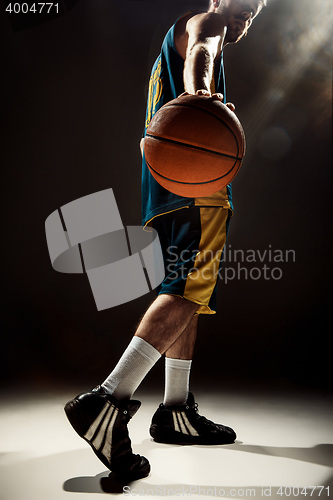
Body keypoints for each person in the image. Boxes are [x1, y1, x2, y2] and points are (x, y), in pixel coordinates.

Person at [64, 0, 266, 482]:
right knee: (187, 291)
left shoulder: (172, 40)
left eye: (255, 13)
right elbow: (204, 48)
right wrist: (201, 95)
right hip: (197, 180)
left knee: (182, 289)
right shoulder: (207, 22)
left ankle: (176, 410)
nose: (247, 17)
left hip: (169, 180)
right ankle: (107, 402)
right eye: (243, 6)